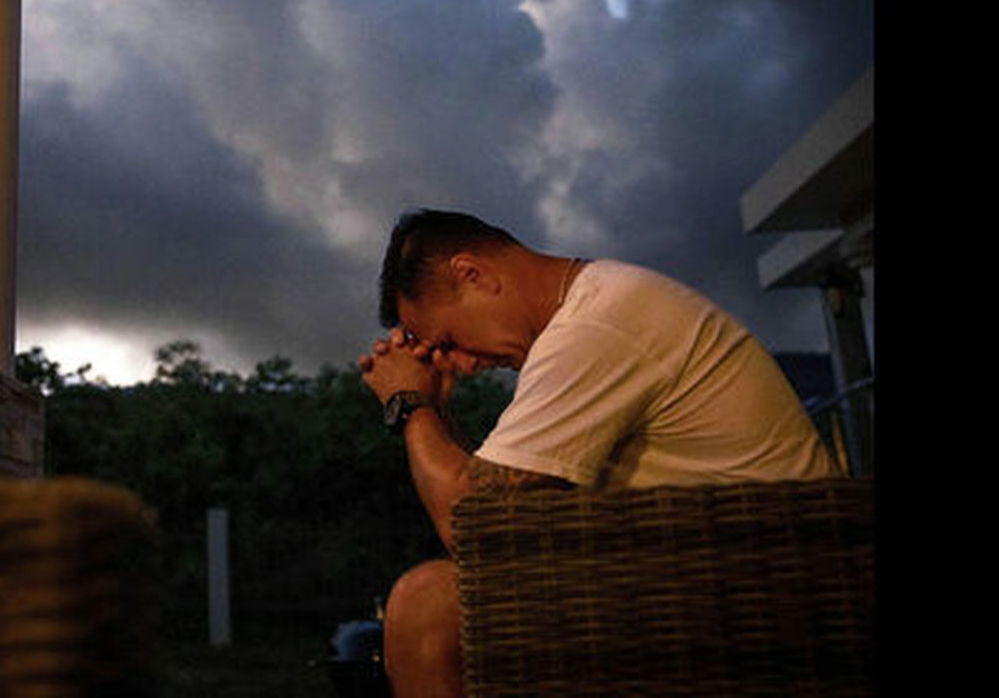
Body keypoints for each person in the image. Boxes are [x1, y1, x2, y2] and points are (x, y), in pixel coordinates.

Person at [357, 209, 840, 698]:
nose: (462, 365)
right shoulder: (601, 305)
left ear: (473, 274)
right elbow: (510, 522)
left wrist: (410, 404)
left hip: (769, 591)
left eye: (450, 342)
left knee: (427, 607)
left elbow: (473, 530)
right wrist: (437, 409)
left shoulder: (594, 327)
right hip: (740, 571)